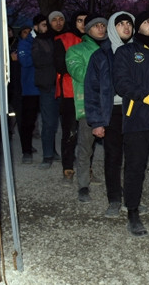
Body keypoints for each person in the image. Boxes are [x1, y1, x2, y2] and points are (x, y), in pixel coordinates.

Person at [113, 10, 149, 236]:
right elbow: (121, 83)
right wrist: (146, 97)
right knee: (135, 168)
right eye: (147, 22)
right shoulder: (126, 52)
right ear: (138, 28)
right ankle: (133, 212)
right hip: (137, 119)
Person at [85, 11, 135, 217]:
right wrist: (97, 121)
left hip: (136, 111)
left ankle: (133, 199)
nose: (125, 27)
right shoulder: (101, 56)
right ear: (112, 28)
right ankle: (114, 199)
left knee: (135, 158)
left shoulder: (138, 52)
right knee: (113, 157)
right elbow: (91, 89)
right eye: (120, 24)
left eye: (129, 24)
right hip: (112, 111)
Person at [66, 14, 109, 202]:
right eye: (96, 26)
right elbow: (80, 74)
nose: (100, 28)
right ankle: (83, 185)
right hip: (88, 106)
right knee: (85, 147)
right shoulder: (75, 51)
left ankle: (115, 185)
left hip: (112, 105)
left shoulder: (113, 48)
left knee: (115, 149)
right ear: (87, 29)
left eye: (103, 25)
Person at [53, 10, 87, 182]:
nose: (83, 24)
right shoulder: (63, 39)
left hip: (90, 93)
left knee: (89, 134)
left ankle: (86, 169)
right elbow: (60, 66)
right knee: (70, 133)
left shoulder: (94, 40)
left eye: (86, 21)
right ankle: (67, 168)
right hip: (69, 93)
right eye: (79, 20)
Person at [32, 10, 66, 169]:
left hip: (63, 85)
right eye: (54, 21)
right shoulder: (39, 41)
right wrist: (57, 57)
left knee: (60, 122)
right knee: (48, 122)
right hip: (48, 86)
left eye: (61, 20)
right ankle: (47, 156)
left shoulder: (62, 38)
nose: (58, 23)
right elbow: (38, 61)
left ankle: (54, 151)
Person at [14, 21, 40, 164]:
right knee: (27, 121)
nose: (28, 34)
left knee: (49, 122)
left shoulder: (38, 43)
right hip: (27, 88)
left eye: (30, 31)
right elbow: (26, 62)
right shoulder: (23, 45)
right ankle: (26, 150)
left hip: (42, 86)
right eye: (25, 32)